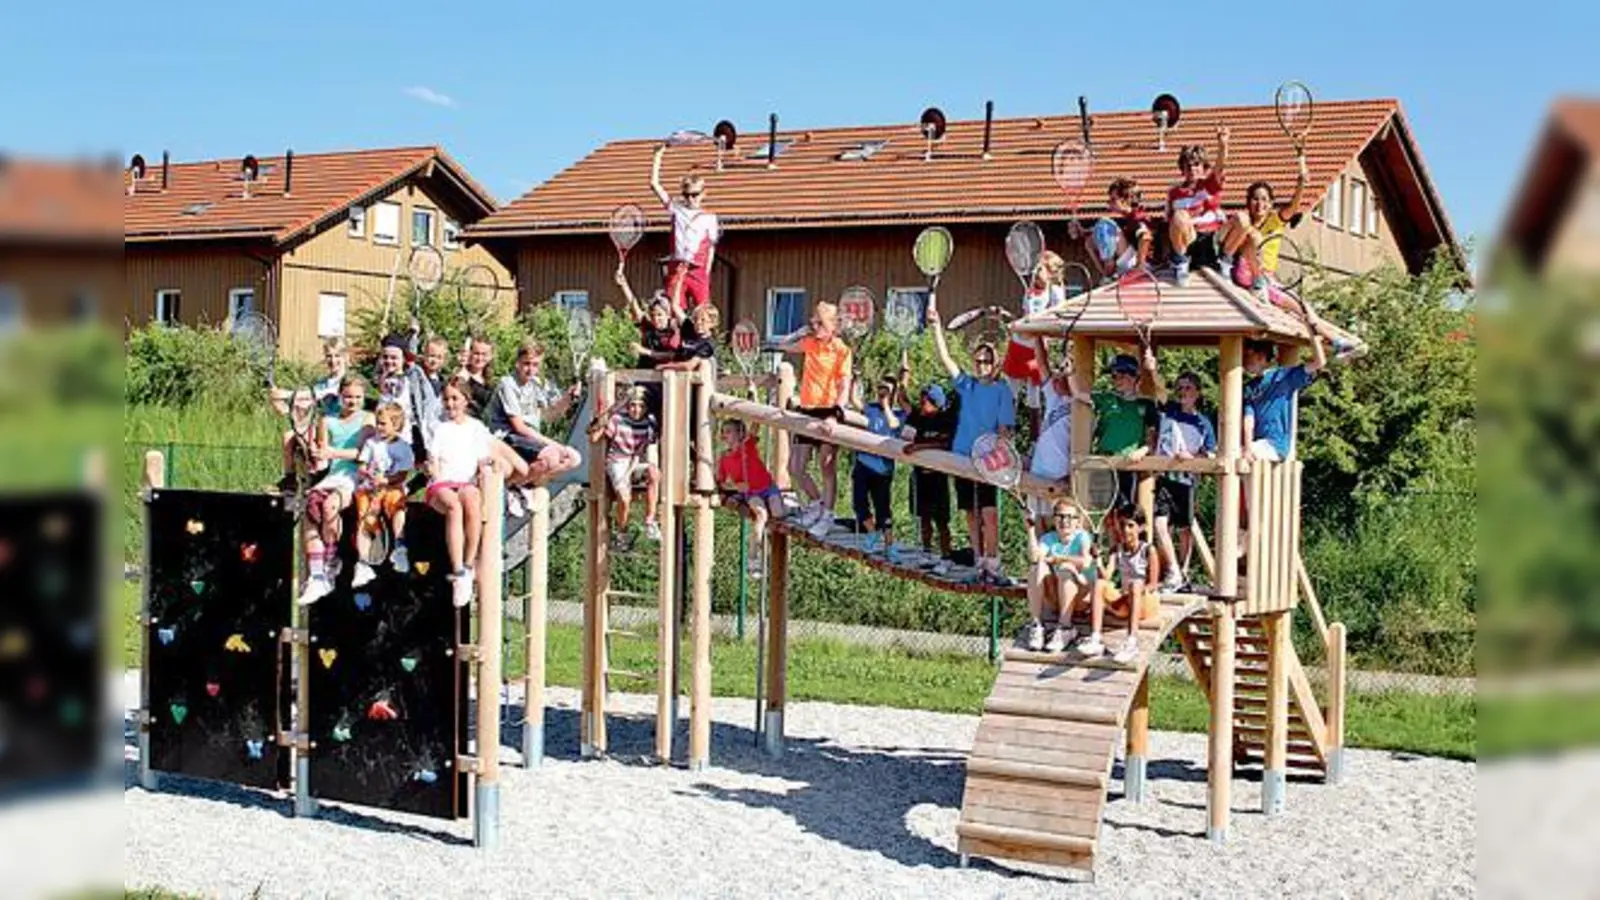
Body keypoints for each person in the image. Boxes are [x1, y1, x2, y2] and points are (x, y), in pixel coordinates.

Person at [928, 293, 1015, 585]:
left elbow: (1005, 429)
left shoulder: (1002, 390)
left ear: (995, 362)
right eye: (978, 361)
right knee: (970, 514)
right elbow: (945, 358)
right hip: (962, 456)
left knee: (990, 515)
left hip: (988, 460)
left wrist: (1000, 453)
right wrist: (936, 326)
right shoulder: (966, 385)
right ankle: (979, 562)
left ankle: (993, 563)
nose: (981, 365)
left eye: (986, 361)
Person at [773, 301, 853, 539]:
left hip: (828, 410)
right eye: (813, 322)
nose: (815, 326)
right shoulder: (810, 342)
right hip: (807, 408)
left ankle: (828, 513)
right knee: (796, 466)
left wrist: (836, 413)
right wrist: (801, 331)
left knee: (826, 465)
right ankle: (816, 502)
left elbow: (844, 384)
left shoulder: (841, 350)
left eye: (820, 323)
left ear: (832, 326)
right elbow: (782, 345)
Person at [298, 374, 373, 606]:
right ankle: (317, 573)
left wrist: (331, 453)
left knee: (331, 505)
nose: (352, 401)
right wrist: (316, 457)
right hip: (333, 475)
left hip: (355, 476)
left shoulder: (367, 419)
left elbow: (361, 453)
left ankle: (331, 560)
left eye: (358, 397)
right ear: (340, 396)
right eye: (348, 396)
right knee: (310, 508)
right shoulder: (326, 421)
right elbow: (322, 459)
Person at [484, 339, 583, 513]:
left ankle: (522, 484)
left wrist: (568, 398)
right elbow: (519, 427)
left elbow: (550, 414)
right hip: (506, 437)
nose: (530, 369)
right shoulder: (508, 384)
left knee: (574, 458)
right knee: (552, 456)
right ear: (518, 363)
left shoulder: (536, 384)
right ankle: (511, 486)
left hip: (528, 438)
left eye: (535, 364)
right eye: (526, 364)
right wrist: (554, 444)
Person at [427, 376, 495, 608]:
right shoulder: (440, 428)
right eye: (446, 399)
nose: (451, 404)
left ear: (466, 400)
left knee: (471, 499)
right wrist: (437, 478)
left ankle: (467, 565)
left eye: (455, 398)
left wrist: (485, 468)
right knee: (454, 506)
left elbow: (482, 459)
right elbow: (433, 460)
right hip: (443, 483)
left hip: (465, 482)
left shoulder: (476, 428)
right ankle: (457, 570)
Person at [1154, 372, 1217, 591]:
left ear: (1198, 392)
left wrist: (1192, 459)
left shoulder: (1203, 422)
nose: (1183, 392)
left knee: (1184, 528)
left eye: (1188, 388)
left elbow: (1211, 454)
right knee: (1159, 524)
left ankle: (1183, 572)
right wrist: (1152, 369)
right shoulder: (1168, 410)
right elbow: (1158, 388)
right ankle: (1172, 570)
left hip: (1187, 479)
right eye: (1179, 387)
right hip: (1164, 476)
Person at [1079, 504, 1159, 664]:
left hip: (1145, 603)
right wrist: (1098, 559)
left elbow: (1153, 584)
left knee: (1135, 584)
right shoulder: (1117, 550)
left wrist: (1136, 591)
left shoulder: (1148, 550)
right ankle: (1095, 638)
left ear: (1141, 527)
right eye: (1122, 525)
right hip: (1126, 603)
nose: (1125, 530)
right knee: (1099, 583)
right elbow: (1106, 576)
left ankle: (1132, 642)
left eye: (1130, 525)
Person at [1220, 152, 1309, 292]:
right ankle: (1258, 284)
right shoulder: (1243, 224)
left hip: (1268, 275)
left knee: (1301, 307)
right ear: (1248, 202)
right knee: (1280, 298)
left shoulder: (1275, 220)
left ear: (1271, 203)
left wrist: (1301, 185)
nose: (1259, 203)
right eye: (1255, 199)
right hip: (1246, 273)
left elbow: (1293, 207)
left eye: (1264, 199)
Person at [1000, 251, 1067, 437]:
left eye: (1041, 269)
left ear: (1051, 272)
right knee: (1010, 395)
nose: (1036, 272)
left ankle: (1035, 442)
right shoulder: (1029, 288)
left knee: (1034, 398)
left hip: (1036, 349)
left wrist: (1038, 327)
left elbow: (1057, 318)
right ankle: (1006, 437)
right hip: (1018, 344)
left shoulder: (1055, 291)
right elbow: (1025, 315)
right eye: (1036, 269)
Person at [588, 385, 661, 548]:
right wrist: (603, 419)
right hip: (617, 460)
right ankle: (622, 531)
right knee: (624, 498)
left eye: (640, 406)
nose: (636, 409)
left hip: (634, 460)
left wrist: (633, 470)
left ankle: (650, 521)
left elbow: (641, 451)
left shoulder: (649, 423)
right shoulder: (618, 419)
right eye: (633, 405)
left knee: (654, 472)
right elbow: (594, 438)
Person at [351, 402, 415, 588]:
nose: (379, 427)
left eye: (383, 424)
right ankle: (362, 562)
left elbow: (402, 475)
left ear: (396, 425)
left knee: (397, 507)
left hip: (391, 488)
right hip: (369, 489)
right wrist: (368, 475)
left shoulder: (403, 447)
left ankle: (400, 546)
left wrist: (385, 481)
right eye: (378, 423)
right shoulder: (371, 443)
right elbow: (362, 465)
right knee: (365, 518)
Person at [840, 375, 905, 558]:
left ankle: (890, 545)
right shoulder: (871, 408)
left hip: (882, 469)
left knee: (883, 508)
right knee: (859, 503)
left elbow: (894, 425)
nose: (882, 393)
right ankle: (871, 531)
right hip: (863, 463)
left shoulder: (898, 414)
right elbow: (854, 401)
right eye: (880, 388)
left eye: (886, 389)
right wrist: (854, 379)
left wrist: (886, 405)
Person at [1090, 350, 1164, 510]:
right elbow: (1078, 395)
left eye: (1120, 375)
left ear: (1133, 377)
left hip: (1127, 464)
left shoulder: (1146, 404)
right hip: (1103, 462)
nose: (1115, 380)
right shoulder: (1105, 399)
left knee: (1125, 512)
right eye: (1114, 376)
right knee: (1102, 512)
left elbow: (1153, 436)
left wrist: (1144, 450)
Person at [272, 337, 349, 491]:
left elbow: (315, 395)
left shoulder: (347, 381)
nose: (333, 360)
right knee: (288, 436)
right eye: (329, 356)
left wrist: (287, 393)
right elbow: (304, 403)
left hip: (340, 426)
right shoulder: (322, 382)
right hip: (320, 426)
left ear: (346, 357)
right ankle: (290, 478)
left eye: (337, 356)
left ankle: (320, 473)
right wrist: (278, 401)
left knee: (313, 434)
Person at [651, 145, 720, 311]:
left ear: (704, 194)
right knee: (674, 312)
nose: (690, 199)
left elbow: (711, 248)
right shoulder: (676, 209)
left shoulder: (710, 218)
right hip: (678, 267)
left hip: (698, 271)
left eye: (695, 195)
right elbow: (654, 184)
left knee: (703, 313)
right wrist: (657, 157)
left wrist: (706, 273)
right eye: (686, 195)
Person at [1023, 499, 1096, 652]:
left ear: (1078, 521)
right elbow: (1035, 557)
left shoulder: (1082, 537)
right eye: (1060, 516)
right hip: (1056, 598)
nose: (1065, 521)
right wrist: (1030, 530)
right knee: (1037, 567)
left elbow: (1085, 562)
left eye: (1070, 517)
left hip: (1081, 598)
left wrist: (1060, 559)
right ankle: (1036, 624)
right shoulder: (1048, 538)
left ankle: (1065, 627)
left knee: (1066, 568)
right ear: (1054, 518)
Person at [717, 418, 784, 580]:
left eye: (729, 431)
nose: (725, 435)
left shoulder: (747, 446)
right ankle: (753, 559)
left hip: (768, 487)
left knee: (779, 513)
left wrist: (754, 407)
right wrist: (737, 487)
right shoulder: (724, 458)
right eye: (723, 432)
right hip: (752, 493)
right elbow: (723, 483)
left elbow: (755, 425)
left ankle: (789, 508)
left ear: (739, 434)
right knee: (761, 515)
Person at [1166, 125, 1231, 287]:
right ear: (1182, 169)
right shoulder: (1174, 193)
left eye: (1196, 164)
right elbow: (1169, 225)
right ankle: (1181, 264)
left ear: (1203, 167)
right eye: (1187, 165)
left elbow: (1220, 167)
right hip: (1189, 240)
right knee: (1179, 216)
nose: (1192, 169)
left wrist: (1223, 145)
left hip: (1210, 239)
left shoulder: (1208, 185)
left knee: (1241, 219)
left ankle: (1226, 264)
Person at [1027, 337, 1079, 530]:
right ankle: (1037, 561)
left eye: (1061, 375)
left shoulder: (1079, 405)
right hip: (1038, 470)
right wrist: (1037, 336)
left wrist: (1070, 476)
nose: (1056, 378)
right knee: (1035, 523)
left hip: (1059, 475)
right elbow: (1042, 363)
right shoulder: (1052, 397)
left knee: (1056, 526)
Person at [902, 378, 956, 564]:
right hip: (919, 476)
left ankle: (946, 557)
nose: (921, 403)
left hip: (938, 478)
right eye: (921, 399)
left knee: (941, 521)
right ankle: (926, 552)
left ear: (935, 403)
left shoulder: (944, 420)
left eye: (925, 400)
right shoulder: (917, 418)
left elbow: (945, 444)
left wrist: (919, 447)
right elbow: (906, 438)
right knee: (922, 517)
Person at [1085, 177, 1154, 279]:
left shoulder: (1137, 217)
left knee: (1104, 224)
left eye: (1113, 200)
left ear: (1126, 200)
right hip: (1133, 260)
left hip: (1144, 264)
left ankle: (1109, 266)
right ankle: (1106, 275)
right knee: (1090, 241)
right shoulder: (1129, 218)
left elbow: (1145, 237)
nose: (1109, 203)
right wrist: (1081, 230)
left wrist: (1139, 266)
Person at [457, 336, 496, 419]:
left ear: (490, 357)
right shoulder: (461, 377)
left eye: (484, 354)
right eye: (476, 353)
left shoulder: (490, 383)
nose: (480, 358)